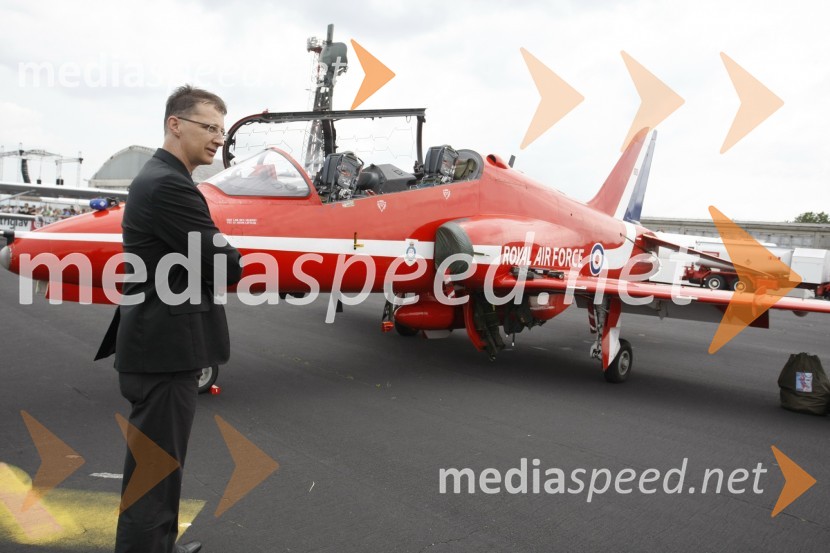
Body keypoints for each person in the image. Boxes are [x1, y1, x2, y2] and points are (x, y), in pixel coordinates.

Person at [96, 85, 243, 553]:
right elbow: (224, 263)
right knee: (155, 468)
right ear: (175, 124)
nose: (218, 138)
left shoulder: (162, 178)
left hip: (159, 343)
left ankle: (159, 544)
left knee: (159, 464)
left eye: (222, 129)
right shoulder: (168, 185)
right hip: (164, 348)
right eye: (209, 127)